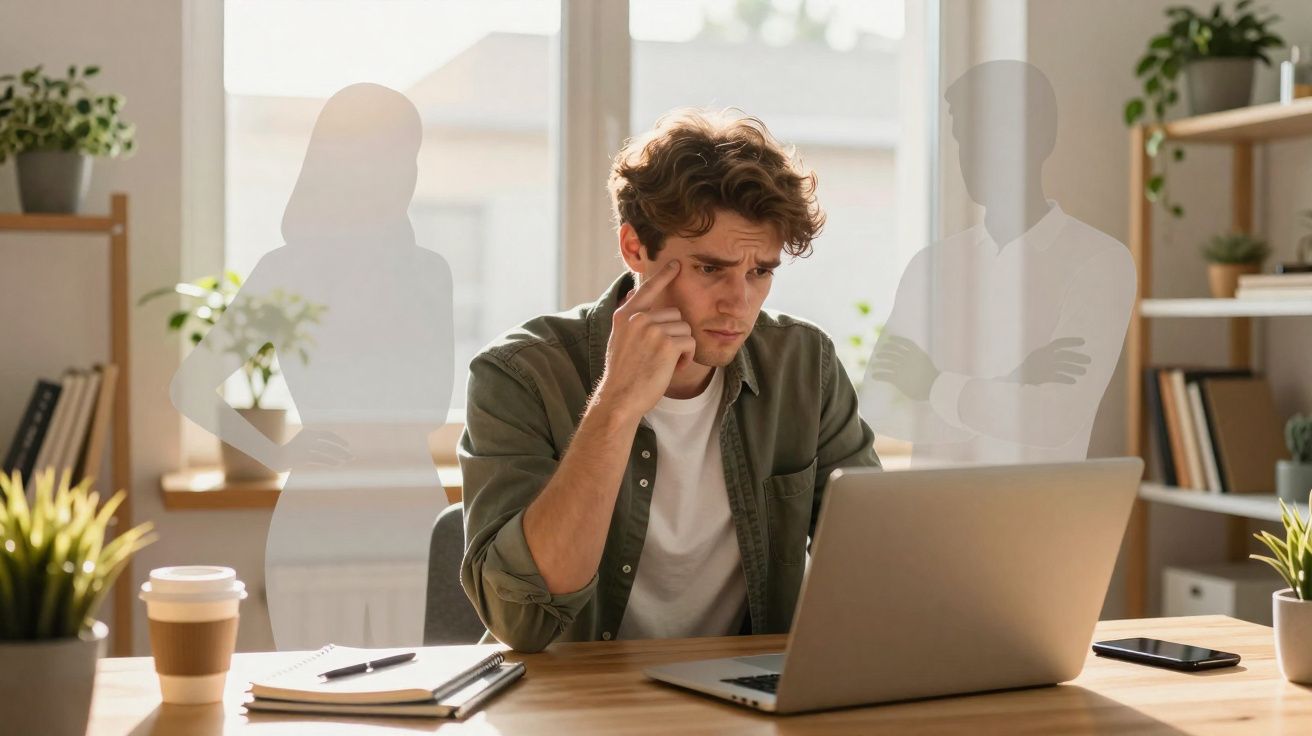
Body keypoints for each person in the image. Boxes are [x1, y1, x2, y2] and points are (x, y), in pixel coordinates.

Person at [459, 109, 881, 653]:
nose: (739, 302)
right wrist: (615, 404)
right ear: (635, 248)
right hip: (570, 701)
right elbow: (521, 622)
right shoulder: (519, 374)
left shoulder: (804, 365)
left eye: (761, 272)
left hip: (744, 702)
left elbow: (879, 571)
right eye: (710, 269)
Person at [170, 83, 454, 649]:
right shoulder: (287, 272)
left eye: (411, 157)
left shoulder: (427, 273)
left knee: (419, 700)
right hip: (321, 520)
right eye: (392, 155)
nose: (405, 173)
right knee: (312, 703)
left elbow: (427, 406)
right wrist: (275, 455)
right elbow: (191, 385)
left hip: (413, 518)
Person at [860, 60, 1136, 467]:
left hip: (1037, 520)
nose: (971, 155)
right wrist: (1013, 381)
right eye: (963, 138)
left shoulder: (1099, 261)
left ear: (1041, 139)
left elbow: (1053, 420)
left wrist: (934, 384)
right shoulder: (930, 266)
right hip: (931, 514)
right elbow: (881, 406)